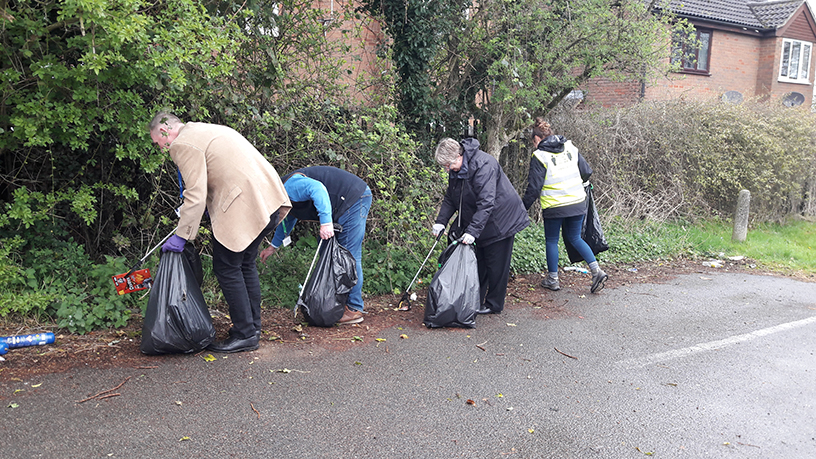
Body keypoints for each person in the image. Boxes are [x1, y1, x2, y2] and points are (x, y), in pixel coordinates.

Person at [148, 112, 291, 353]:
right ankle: (252, 328)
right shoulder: (204, 129)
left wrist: (182, 235)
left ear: (164, 131)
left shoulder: (182, 143)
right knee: (245, 265)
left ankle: (246, 334)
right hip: (269, 202)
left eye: (157, 143)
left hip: (245, 208)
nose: (160, 148)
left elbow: (195, 194)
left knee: (226, 267)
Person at [259, 166, 371, 325]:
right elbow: (289, 219)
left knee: (348, 256)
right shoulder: (283, 199)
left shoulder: (287, 187)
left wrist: (325, 223)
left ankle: (354, 308)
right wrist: (273, 246)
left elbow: (317, 188)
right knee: (328, 253)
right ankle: (334, 301)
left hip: (354, 198)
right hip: (341, 204)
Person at [432, 137, 529, 315]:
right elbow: (451, 198)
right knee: (479, 261)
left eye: (448, 165)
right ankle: (475, 299)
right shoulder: (457, 170)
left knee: (496, 263)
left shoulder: (483, 165)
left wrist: (472, 231)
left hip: (501, 219)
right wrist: (441, 222)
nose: (447, 169)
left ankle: (494, 304)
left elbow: (486, 202)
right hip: (482, 219)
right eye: (445, 166)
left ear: (458, 156)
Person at [521, 117, 608, 293]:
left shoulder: (539, 155)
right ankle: (596, 271)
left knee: (552, 241)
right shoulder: (569, 146)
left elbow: (534, 188)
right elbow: (586, 171)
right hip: (577, 201)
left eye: (533, 143)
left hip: (554, 206)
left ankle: (553, 279)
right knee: (576, 238)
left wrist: (522, 208)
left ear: (537, 139)